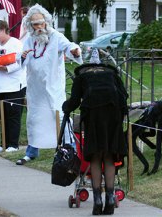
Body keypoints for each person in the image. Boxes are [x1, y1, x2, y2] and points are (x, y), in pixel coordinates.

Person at [16, 4, 82, 165]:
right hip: (35, 88)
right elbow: (20, 60)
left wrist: (75, 51)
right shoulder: (30, 40)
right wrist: (23, 56)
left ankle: (69, 148)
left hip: (53, 86)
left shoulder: (56, 36)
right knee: (34, 118)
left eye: (41, 23)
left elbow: (69, 46)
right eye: (35, 24)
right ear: (30, 25)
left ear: (46, 21)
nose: (39, 27)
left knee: (59, 115)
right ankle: (32, 151)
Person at [62, 63, 128, 215]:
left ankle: (97, 201)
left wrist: (65, 107)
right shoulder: (112, 75)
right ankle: (110, 199)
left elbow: (74, 101)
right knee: (110, 155)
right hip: (114, 113)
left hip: (93, 115)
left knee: (96, 155)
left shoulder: (82, 77)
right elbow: (123, 95)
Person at [0, 20, 26, 153]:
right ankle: (3, 143)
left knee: (13, 116)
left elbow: (21, 62)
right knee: (2, 115)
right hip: (0, 87)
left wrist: (6, 68)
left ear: (4, 30)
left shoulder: (16, 44)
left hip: (14, 86)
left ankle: (13, 144)